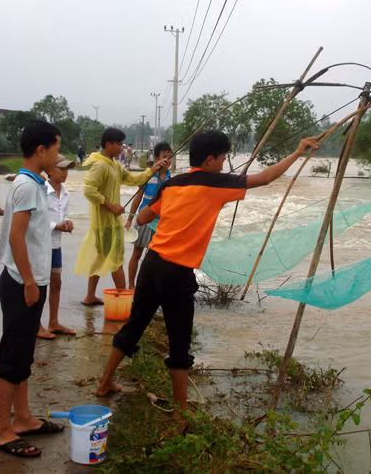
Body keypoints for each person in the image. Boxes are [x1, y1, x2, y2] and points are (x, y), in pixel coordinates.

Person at [95, 131, 319, 419]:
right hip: (176, 272)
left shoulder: (173, 183)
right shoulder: (216, 182)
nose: (225, 163)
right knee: (179, 343)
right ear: (210, 159)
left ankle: (104, 384)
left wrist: (174, 213)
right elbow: (265, 179)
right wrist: (298, 150)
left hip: (152, 263)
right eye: (224, 157)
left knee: (134, 325)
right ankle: (180, 410)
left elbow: (141, 218)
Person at [0, 120, 64, 458]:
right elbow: (15, 237)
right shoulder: (25, 186)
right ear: (41, 150)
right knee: (11, 357)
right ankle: (1, 430)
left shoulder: (36, 183)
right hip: (22, 282)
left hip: (31, 279)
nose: (58, 155)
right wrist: (31, 283)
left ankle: (22, 418)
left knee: (24, 355)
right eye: (56, 148)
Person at [75, 128, 169, 306]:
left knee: (99, 258)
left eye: (122, 144)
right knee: (116, 260)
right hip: (104, 222)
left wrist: (153, 170)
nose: (122, 148)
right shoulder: (100, 165)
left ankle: (89, 296)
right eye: (119, 144)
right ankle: (126, 302)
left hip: (109, 222)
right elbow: (88, 190)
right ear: (108, 144)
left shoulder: (114, 165)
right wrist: (109, 205)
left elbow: (133, 180)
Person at [36, 155, 76, 339]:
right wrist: (56, 226)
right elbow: (36, 220)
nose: (65, 173)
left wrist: (66, 223)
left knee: (56, 282)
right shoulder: (41, 191)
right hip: (41, 244)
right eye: (62, 169)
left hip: (56, 244)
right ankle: (36, 325)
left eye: (67, 169)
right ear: (50, 171)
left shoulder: (65, 193)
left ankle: (53, 322)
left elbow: (62, 216)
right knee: (40, 285)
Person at [125, 141, 173, 290]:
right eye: (164, 156)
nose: (167, 159)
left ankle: (151, 288)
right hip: (144, 220)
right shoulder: (148, 175)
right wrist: (130, 219)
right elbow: (138, 197)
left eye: (170, 156)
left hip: (161, 223)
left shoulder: (171, 180)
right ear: (157, 158)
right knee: (137, 253)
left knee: (158, 258)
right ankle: (131, 286)